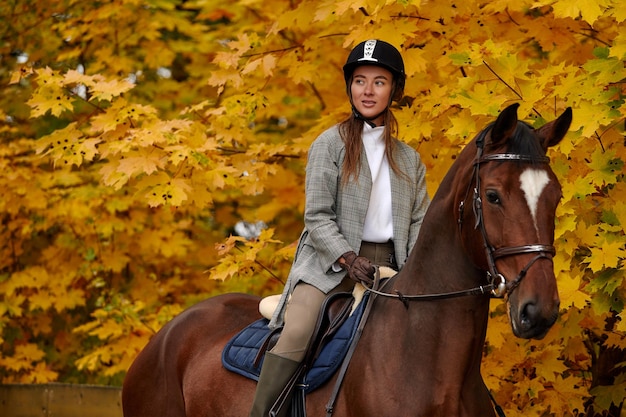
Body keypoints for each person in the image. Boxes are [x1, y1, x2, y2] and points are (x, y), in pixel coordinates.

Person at [249, 39, 430, 417]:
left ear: (394, 89)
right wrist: (348, 259)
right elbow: (316, 217)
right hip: (328, 265)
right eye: (360, 80)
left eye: (379, 82)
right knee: (298, 331)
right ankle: (263, 412)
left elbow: (416, 227)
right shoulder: (328, 145)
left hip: (390, 270)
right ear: (350, 87)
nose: (368, 90)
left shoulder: (410, 161)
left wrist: (416, 277)